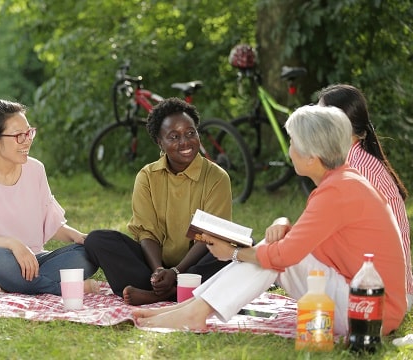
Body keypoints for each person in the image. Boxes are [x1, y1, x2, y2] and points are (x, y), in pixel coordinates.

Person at [133, 105, 407, 336]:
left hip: (369, 313)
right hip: (365, 302)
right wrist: (282, 221)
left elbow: (286, 255)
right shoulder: (341, 182)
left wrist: (234, 252)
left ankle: (193, 311)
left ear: (312, 156)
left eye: (292, 143)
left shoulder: (338, 190)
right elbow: (304, 237)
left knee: (272, 254)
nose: (289, 151)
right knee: (273, 248)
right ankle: (190, 309)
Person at [84, 97, 233, 306]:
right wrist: (158, 272)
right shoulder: (147, 176)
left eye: (191, 133)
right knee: (97, 240)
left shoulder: (217, 177)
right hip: (153, 266)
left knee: (238, 249)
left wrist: (176, 272)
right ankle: (169, 290)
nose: (185, 142)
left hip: (197, 266)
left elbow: (209, 237)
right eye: (174, 136)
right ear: (159, 142)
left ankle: (161, 295)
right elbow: (147, 232)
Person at [0, 99, 98, 295]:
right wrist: (14, 244)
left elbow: (51, 222)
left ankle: (10, 286)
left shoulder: (36, 169)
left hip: (35, 261)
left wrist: (80, 237)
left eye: (29, 133)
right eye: (18, 136)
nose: (27, 140)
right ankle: (65, 288)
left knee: (87, 255)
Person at [317, 84, 412, 309]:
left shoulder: (355, 168)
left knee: (286, 256)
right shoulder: (357, 159)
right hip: (388, 287)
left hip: (381, 293)